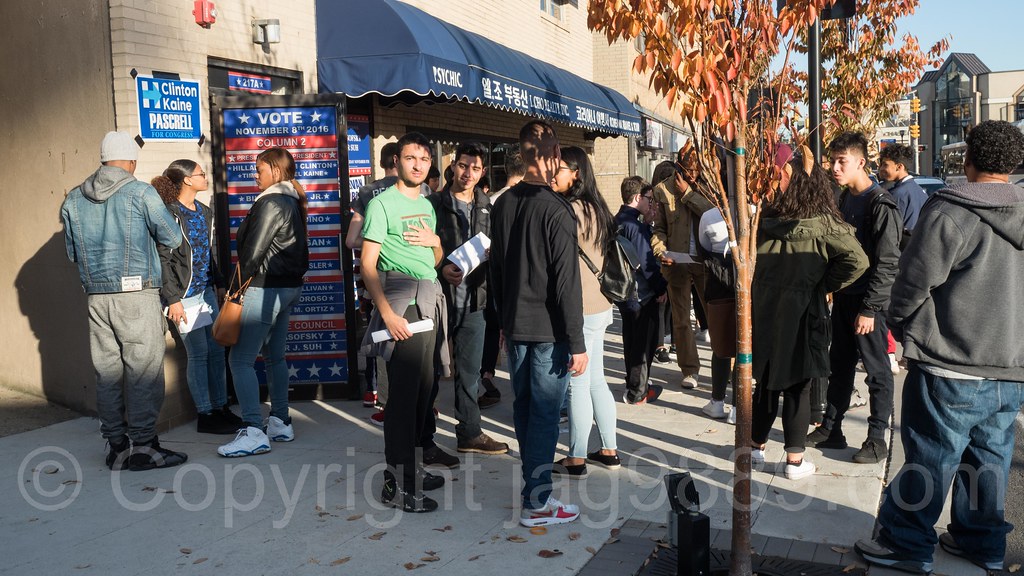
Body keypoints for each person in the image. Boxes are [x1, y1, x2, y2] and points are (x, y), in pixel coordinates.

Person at [855, 120, 1024, 574]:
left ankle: (906, 544)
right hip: (1010, 365)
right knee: (990, 456)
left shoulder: (952, 210)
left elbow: (912, 281)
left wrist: (902, 325)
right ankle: (981, 542)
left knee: (931, 454)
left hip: (951, 359)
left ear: (968, 159)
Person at [60, 131, 187, 471]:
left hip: (97, 297)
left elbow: (73, 253)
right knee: (143, 372)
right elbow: (173, 237)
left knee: (107, 373)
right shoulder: (139, 191)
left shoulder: (73, 199)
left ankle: (116, 446)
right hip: (137, 295)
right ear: (131, 161)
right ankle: (144, 447)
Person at [749, 151, 868, 481]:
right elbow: (858, 261)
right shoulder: (826, 225)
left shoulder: (761, 219)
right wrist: (822, 285)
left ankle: (755, 448)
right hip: (805, 313)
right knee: (799, 386)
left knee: (767, 384)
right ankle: (794, 461)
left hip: (764, 312)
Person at [491, 120, 586, 527]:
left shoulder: (503, 203)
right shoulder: (556, 210)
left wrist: (500, 320)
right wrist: (578, 341)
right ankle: (538, 502)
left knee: (526, 410)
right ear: (553, 156)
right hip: (548, 331)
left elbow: (496, 269)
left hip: (515, 325)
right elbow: (567, 283)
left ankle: (534, 492)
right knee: (544, 414)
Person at [360, 131, 448, 513]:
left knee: (424, 397)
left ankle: (414, 467)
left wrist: (435, 241)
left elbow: (435, 260)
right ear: (397, 161)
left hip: (429, 301)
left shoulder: (428, 205)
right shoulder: (381, 205)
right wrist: (389, 313)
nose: (418, 165)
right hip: (402, 304)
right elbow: (367, 265)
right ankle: (398, 485)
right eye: (411, 158)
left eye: (425, 159)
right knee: (403, 400)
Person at [808, 131, 901, 465]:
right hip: (846, 298)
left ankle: (877, 440)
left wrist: (871, 308)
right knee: (840, 365)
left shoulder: (881, 204)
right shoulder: (845, 198)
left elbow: (888, 262)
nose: (834, 167)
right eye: (832, 160)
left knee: (876, 373)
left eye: (841, 161)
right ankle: (831, 429)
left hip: (868, 304)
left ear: (861, 162)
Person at [217, 147, 309, 457]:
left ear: (276, 172)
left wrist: (234, 291)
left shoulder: (270, 202)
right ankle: (280, 422)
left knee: (240, 360)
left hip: (264, 289)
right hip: (285, 289)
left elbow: (251, 254)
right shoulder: (291, 202)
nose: (255, 175)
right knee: (274, 357)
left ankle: (253, 430)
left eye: (260, 169)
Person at [428, 141, 509, 455]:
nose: (468, 173)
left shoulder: (490, 206)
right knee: (430, 372)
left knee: (470, 374)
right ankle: (424, 436)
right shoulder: (434, 204)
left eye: (475, 168)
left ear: (483, 172)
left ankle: (470, 433)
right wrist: (440, 268)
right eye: (463, 165)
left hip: (476, 300)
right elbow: (422, 248)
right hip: (437, 300)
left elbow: (502, 250)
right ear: (453, 165)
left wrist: (494, 254)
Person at [153, 159, 242, 435]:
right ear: (187, 181)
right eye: (201, 174)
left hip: (206, 291)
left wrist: (217, 282)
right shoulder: (169, 214)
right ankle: (205, 414)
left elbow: (207, 252)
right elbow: (163, 260)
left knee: (217, 351)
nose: (206, 177)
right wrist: (172, 298)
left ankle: (220, 407)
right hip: (184, 296)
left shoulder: (204, 211)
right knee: (199, 354)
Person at [549, 145, 619, 477]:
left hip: (581, 309)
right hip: (602, 305)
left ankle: (576, 457)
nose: (554, 173)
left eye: (560, 168)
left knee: (579, 382)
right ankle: (608, 448)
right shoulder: (599, 208)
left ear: (576, 172)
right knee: (595, 380)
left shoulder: (571, 211)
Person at [651, 149, 713, 390]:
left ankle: (723, 365)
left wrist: (688, 194)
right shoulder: (662, 189)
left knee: (714, 316)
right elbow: (659, 228)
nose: (692, 174)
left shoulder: (708, 187)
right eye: (688, 170)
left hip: (705, 262)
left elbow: (712, 214)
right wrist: (660, 251)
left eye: (696, 170)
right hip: (676, 262)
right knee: (680, 318)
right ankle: (689, 369)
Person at [347, 142, 400, 417]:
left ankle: (379, 395)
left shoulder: (367, 192)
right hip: (409, 278)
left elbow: (350, 240)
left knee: (379, 335)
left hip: (375, 277)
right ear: (398, 159)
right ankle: (420, 400)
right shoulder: (415, 191)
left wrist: (377, 241)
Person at [477, 146, 526, 408]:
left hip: (492, 275)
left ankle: (487, 373)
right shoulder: (526, 200)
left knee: (493, 326)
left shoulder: (492, 201)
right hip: (520, 280)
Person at [614, 177, 667, 405]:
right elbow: (645, 263)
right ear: (637, 198)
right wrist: (661, 287)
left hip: (623, 292)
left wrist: (646, 223)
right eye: (648, 199)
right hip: (641, 293)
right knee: (643, 345)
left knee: (631, 340)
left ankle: (634, 384)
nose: (650, 203)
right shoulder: (634, 227)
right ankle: (638, 391)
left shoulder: (618, 220)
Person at [878, 144, 927, 247]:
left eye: (885, 165)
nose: (881, 168)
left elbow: (890, 233)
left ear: (899, 166)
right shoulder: (920, 191)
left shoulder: (897, 194)